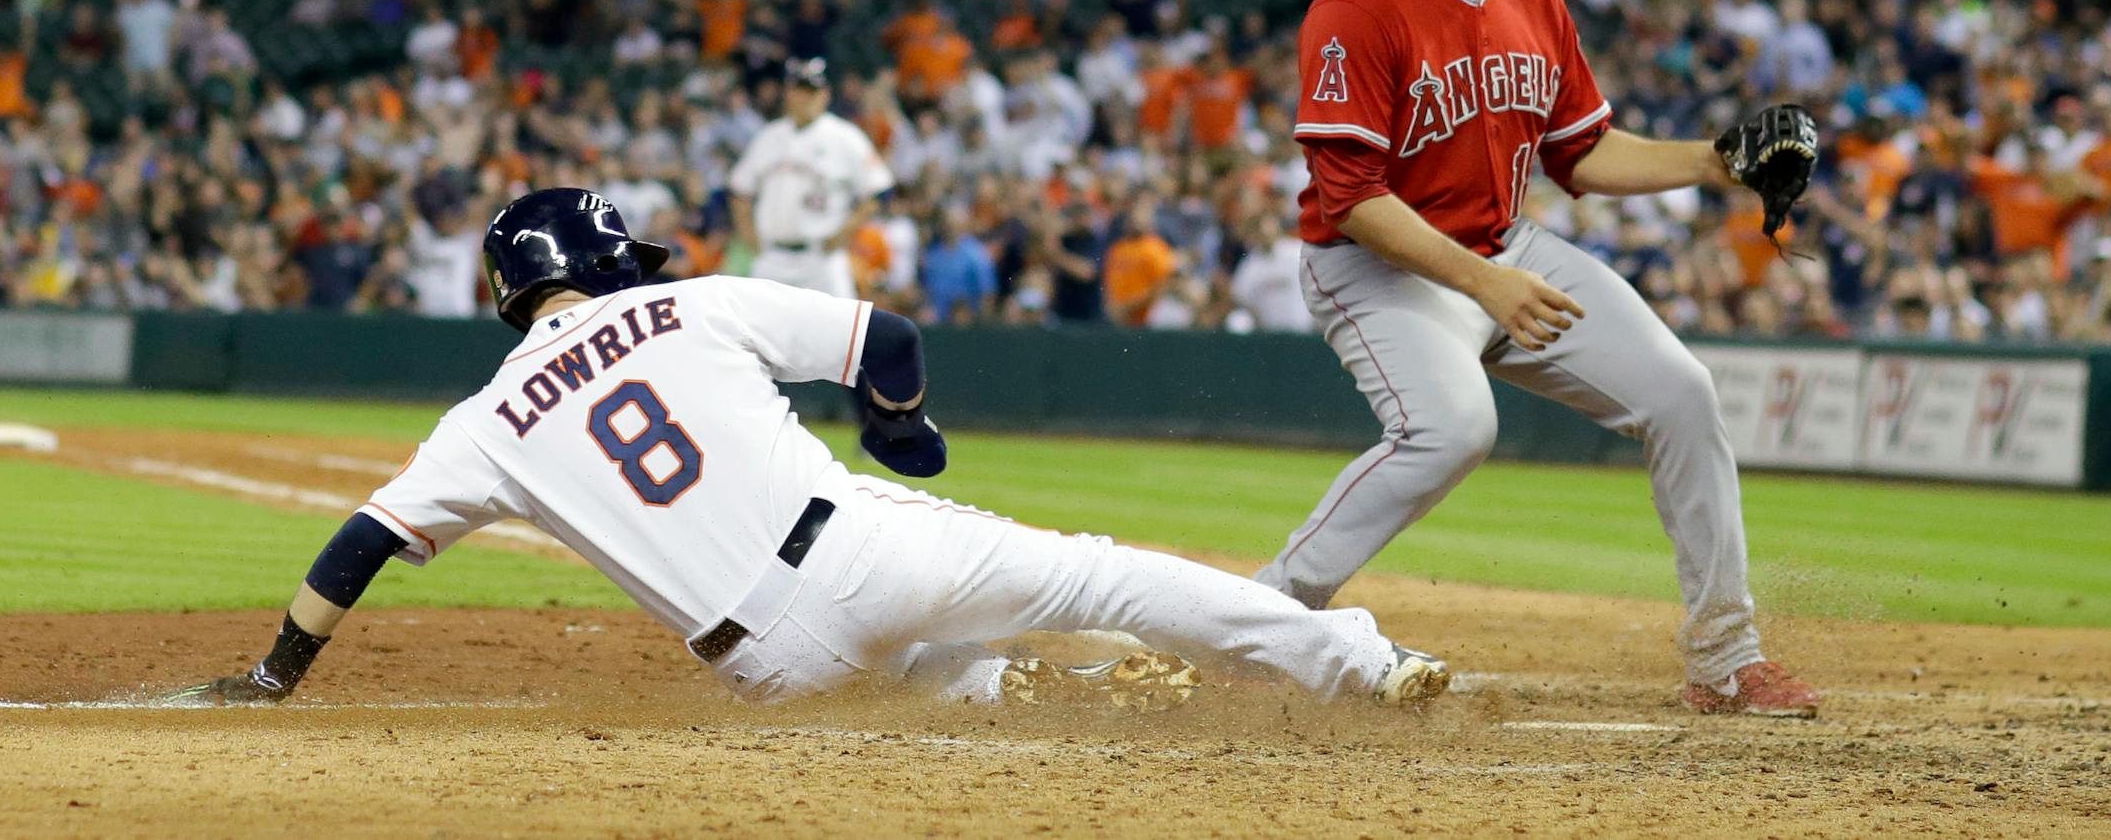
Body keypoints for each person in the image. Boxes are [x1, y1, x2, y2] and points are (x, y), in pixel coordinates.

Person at [160, 188, 1452, 709]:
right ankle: (1355, 659)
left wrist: (277, 675)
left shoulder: (484, 419)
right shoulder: (688, 300)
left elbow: (359, 543)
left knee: (944, 689)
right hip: (860, 546)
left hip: (765, 664)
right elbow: (882, 334)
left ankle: (1037, 697)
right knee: (1102, 576)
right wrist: (900, 423)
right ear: (608, 258)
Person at [1257, 0, 1820, 718]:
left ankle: (1725, 657)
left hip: (1501, 247)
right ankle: (1269, 612)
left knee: (1683, 394)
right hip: (1382, 266)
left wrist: (1719, 163)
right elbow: (1353, 198)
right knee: (1453, 427)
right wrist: (1488, 282)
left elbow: (1582, 154)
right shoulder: (1361, 5)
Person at [728, 58, 896, 298]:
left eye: (812, 91)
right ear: (788, 93)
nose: (805, 98)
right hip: (771, 257)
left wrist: (844, 234)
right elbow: (739, 190)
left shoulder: (845, 137)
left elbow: (880, 190)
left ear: (825, 94)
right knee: (761, 333)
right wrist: (750, 237)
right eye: (799, 90)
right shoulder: (769, 137)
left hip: (821, 260)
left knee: (837, 331)